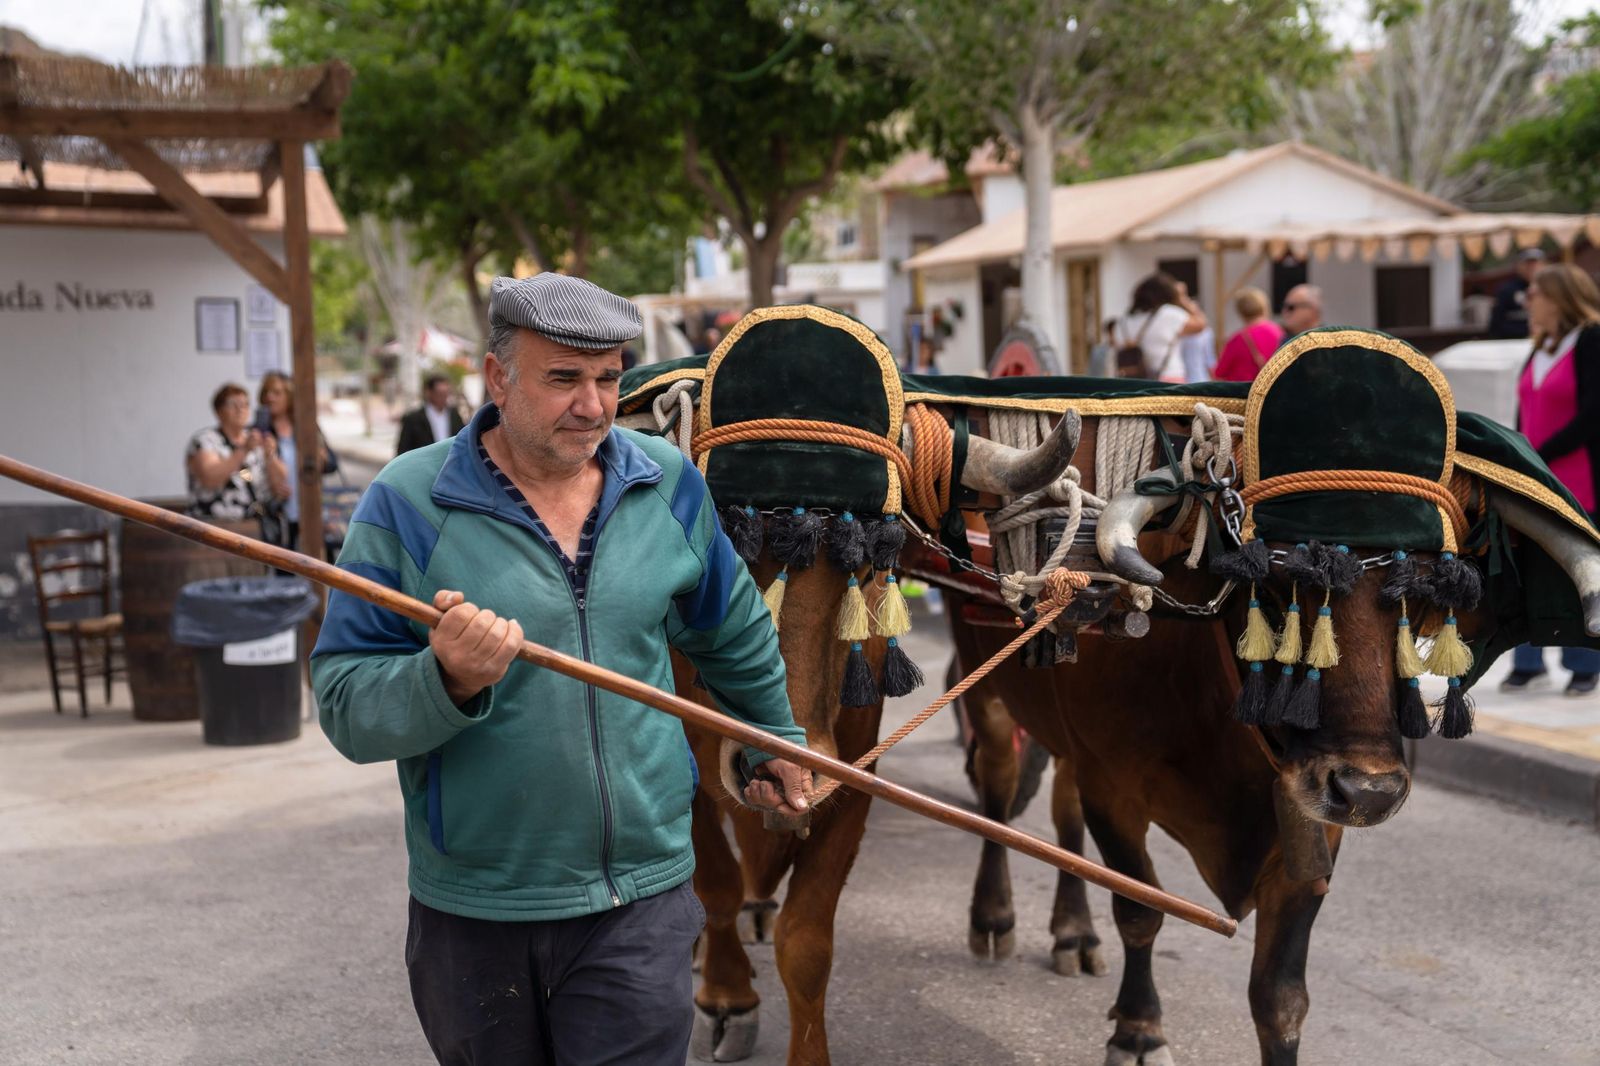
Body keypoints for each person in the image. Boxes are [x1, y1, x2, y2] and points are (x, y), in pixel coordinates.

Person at [311, 273, 812, 1066]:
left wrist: (773, 738)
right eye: (564, 379)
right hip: (476, 910)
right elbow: (344, 704)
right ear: (496, 377)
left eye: (609, 378)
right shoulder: (406, 504)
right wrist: (444, 679)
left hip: (641, 900)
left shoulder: (668, 485)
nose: (594, 405)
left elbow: (732, 633)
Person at [1501, 263, 1600, 697]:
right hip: (1536, 477)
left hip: (1580, 476)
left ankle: (1584, 661)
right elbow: (1525, 414)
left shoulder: (1592, 339)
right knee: (1526, 566)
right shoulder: (1539, 347)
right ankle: (1528, 658)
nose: (1527, 300)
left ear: (1559, 295)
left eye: (1535, 292)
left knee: (1581, 570)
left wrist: (1541, 454)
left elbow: (1594, 414)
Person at [257, 370, 338, 550]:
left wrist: (321, 457)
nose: (270, 398)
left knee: (319, 567)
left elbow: (332, 464)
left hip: (310, 511)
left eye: (277, 393)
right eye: (266, 393)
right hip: (278, 513)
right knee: (283, 566)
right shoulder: (260, 431)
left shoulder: (306, 427)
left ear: (289, 396)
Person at [185, 383, 285, 522]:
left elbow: (281, 485)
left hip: (254, 525)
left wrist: (271, 455)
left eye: (245, 404)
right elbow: (210, 478)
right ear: (218, 411)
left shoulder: (256, 438)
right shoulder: (205, 440)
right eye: (233, 404)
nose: (240, 409)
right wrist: (244, 450)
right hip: (213, 527)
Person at [1110, 272, 1207, 382]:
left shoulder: (1121, 322)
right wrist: (1182, 298)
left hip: (1132, 384)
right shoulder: (1168, 314)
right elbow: (1200, 324)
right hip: (1168, 380)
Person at [1213, 287, 1287, 382]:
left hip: (1245, 393)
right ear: (1264, 306)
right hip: (1273, 391)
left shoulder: (1237, 339)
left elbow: (1219, 372)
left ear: (1240, 311)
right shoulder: (1279, 333)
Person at [396, 373, 467, 456]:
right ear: (429, 392)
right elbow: (403, 450)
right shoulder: (413, 419)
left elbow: (462, 440)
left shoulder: (454, 415)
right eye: (440, 394)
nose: (444, 397)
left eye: (446, 393)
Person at [1489, 248, 1546, 339]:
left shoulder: (1550, 289)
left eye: (1536, 263)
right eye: (1528, 264)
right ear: (1518, 265)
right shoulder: (1506, 291)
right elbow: (1496, 325)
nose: (1532, 267)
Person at [1173, 280, 1216, 383]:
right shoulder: (1173, 324)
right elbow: (1210, 360)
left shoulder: (1204, 331)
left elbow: (1210, 359)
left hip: (1194, 379)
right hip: (1186, 379)